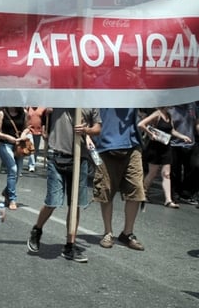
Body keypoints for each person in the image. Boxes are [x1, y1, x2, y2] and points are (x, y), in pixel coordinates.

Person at [26, 108, 102, 262]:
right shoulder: (60, 98)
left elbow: (98, 128)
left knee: (75, 205)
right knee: (52, 201)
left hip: (80, 158)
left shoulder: (91, 102)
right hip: (57, 155)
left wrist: (86, 130)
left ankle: (70, 245)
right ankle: (37, 230)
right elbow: (38, 112)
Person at [93, 108, 147, 251]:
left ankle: (127, 233)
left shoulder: (133, 88)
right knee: (105, 190)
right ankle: (108, 232)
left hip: (132, 144)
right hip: (105, 145)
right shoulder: (100, 88)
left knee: (136, 189)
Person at [138, 107, 193, 208]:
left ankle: (168, 200)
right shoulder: (157, 114)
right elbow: (141, 124)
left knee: (166, 174)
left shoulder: (169, 115)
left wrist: (183, 137)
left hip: (166, 147)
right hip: (155, 148)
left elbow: (172, 130)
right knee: (152, 173)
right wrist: (150, 134)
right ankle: (143, 193)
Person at [0, 107, 30, 210]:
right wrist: (7, 137)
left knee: (17, 173)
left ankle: (6, 192)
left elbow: (27, 127)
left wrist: (23, 133)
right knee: (12, 169)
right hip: (5, 145)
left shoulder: (24, 112)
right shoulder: (2, 113)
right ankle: (12, 199)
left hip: (19, 146)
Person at [169, 102, 199, 204]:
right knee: (175, 170)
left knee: (194, 167)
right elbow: (169, 127)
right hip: (174, 144)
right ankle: (175, 192)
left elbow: (197, 123)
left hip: (191, 143)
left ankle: (186, 193)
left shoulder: (192, 105)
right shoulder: (171, 107)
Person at [26, 106, 46, 172]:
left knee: (36, 149)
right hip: (29, 131)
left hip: (38, 131)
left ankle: (32, 163)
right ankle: (31, 165)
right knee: (31, 148)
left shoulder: (42, 108)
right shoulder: (28, 107)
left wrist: (43, 132)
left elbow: (44, 121)